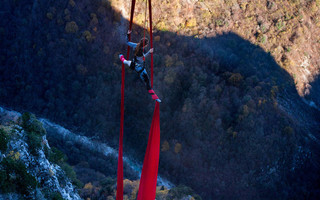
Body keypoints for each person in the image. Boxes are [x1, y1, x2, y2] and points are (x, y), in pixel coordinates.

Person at [119, 30, 161, 102]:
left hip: (133, 64)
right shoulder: (141, 52)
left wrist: (128, 34)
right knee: (147, 81)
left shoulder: (135, 45)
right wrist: (149, 52)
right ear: (145, 45)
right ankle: (154, 96)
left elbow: (127, 42)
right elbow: (143, 57)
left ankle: (121, 58)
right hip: (140, 69)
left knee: (126, 62)